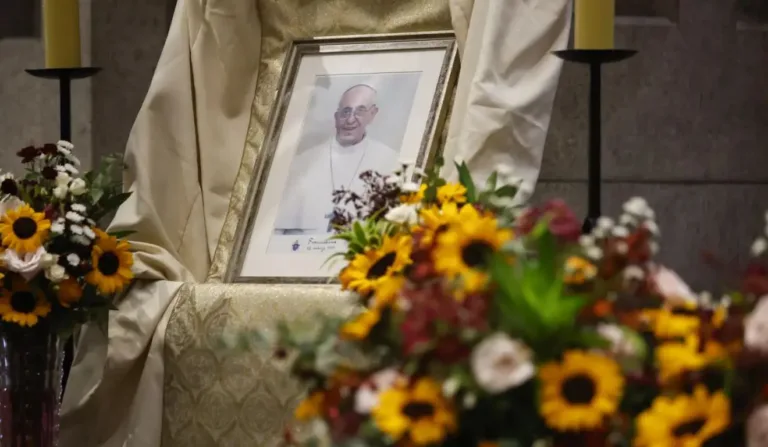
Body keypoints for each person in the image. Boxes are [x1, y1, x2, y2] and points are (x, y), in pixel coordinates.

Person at [273, 84, 399, 235]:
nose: (350, 120)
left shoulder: (391, 160)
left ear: (372, 114)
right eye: (345, 112)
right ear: (336, 117)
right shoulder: (303, 162)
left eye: (360, 111)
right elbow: (279, 231)